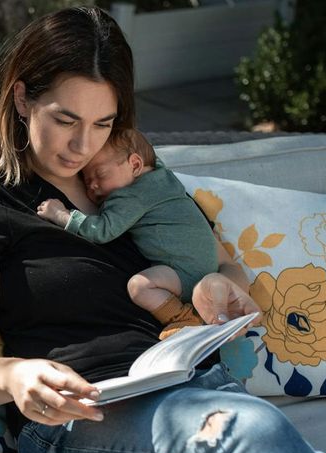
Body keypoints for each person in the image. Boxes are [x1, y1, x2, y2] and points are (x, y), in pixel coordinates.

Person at [0, 6, 326, 453]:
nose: (83, 146)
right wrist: (17, 376)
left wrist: (223, 286)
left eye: (103, 123)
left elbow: (224, 264)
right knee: (254, 435)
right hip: (82, 421)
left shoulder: (143, 181)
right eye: (65, 119)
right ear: (22, 99)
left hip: (196, 387)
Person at [35, 128, 216, 340]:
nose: (92, 185)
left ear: (136, 165)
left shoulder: (132, 196)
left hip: (185, 273)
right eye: (86, 180)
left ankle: (182, 318)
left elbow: (103, 230)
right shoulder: (163, 177)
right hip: (207, 269)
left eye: (100, 174)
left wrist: (63, 215)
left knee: (139, 286)